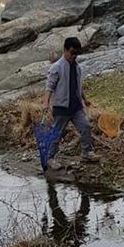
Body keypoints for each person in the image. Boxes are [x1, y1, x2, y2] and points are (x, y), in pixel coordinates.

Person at [44, 36, 99, 169]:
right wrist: (46, 103)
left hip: (76, 107)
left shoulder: (77, 68)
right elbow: (49, 86)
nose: (74, 56)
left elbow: (78, 86)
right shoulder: (56, 67)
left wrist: (85, 99)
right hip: (62, 107)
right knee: (57, 133)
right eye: (72, 52)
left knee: (85, 126)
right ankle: (50, 158)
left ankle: (86, 153)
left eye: (76, 53)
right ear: (65, 50)